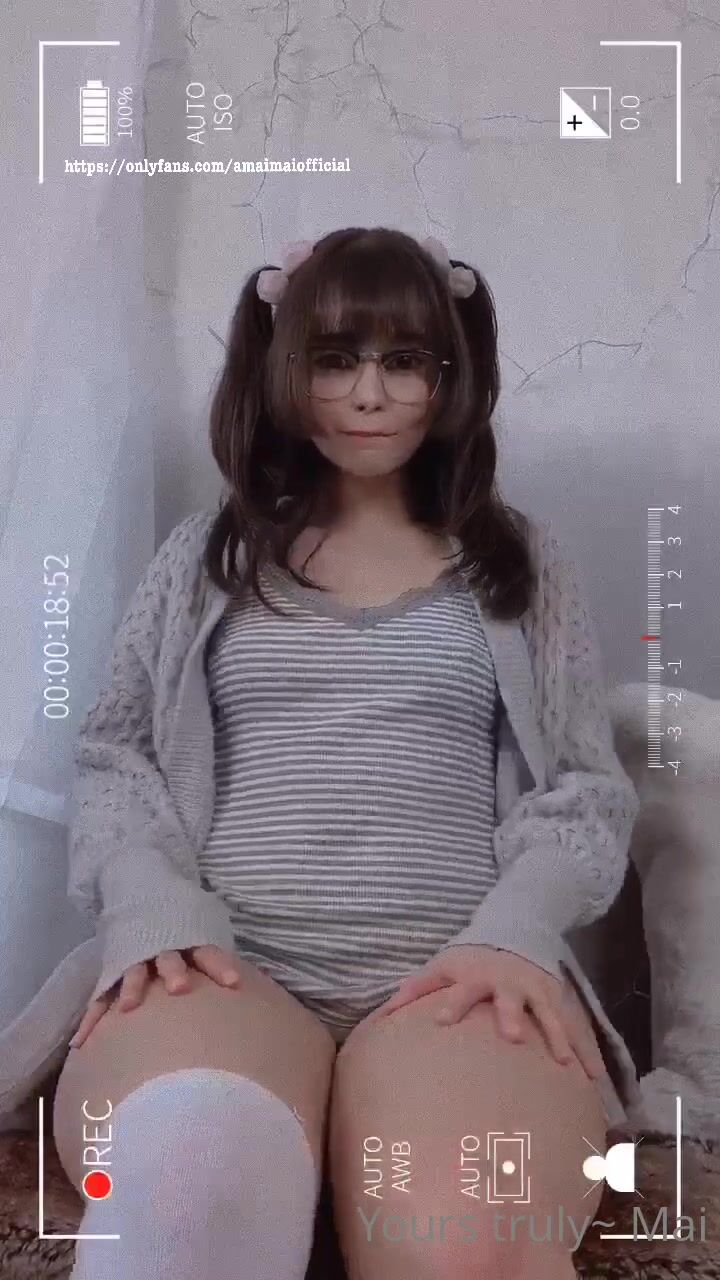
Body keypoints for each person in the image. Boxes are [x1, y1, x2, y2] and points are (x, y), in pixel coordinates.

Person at [52, 226, 641, 1280]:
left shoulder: (517, 563)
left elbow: (583, 791)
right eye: (333, 359)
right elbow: (116, 754)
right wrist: (147, 900)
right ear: (285, 368)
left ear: (450, 376)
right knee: (186, 1188)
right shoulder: (208, 555)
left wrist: (516, 932)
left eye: (405, 360)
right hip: (224, 966)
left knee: (467, 1234)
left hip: (454, 980)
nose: (369, 394)